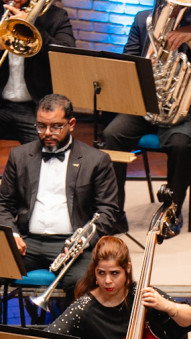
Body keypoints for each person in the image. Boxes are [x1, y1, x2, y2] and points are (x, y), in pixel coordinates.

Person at [102, 4, 191, 234]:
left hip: (190, 107)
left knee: (181, 144)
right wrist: (143, 65)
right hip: (148, 104)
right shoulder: (143, 19)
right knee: (112, 135)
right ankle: (114, 213)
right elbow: (128, 58)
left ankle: (171, 211)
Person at [0, 93, 119, 291]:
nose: (47, 132)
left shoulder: (96, 160)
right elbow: (3, 204)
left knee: (81, 281)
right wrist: (11, 234)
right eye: (41, 126)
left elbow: (108, 211)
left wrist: (82, 241)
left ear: (71, 123)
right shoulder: (19, 156)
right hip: (26, 242)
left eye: (56, 126)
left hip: (71, 245)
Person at [47, 235, 191, 339]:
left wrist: (167, 306)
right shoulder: (84, 307)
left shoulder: (142, 296)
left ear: (127, 268)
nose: (107, 280)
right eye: (101, 273)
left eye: (114, 273)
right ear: (94, 272)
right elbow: (49, 338)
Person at [0, 0, 75, 144]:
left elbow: (67, 56)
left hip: (35, 109)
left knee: (49, 152)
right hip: (1, 104)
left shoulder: (55, 16)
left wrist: (32, 26)